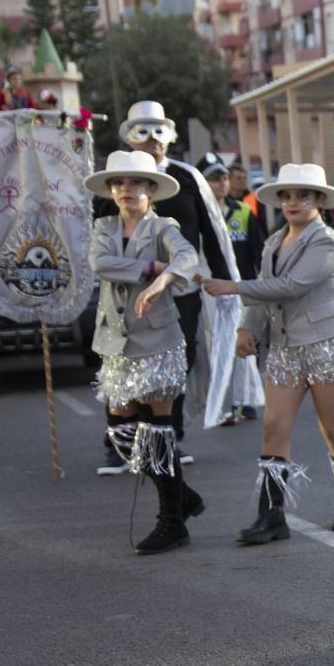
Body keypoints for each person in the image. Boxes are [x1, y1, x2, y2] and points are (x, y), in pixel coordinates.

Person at [200, 162, 334, 537]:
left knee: (333, 427)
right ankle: (272, 515)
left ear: (320, 201)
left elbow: (292, 285)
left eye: (303, 195)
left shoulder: (325, 240)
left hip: (327, 343)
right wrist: (247, 328)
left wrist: (234, 287)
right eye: (287, 196)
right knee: (274, 425)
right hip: (285, 347)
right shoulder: (273, 242)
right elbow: (267, 288)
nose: (293, 202)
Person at [95, 102, 235, 474]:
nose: (153, 139)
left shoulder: (187, 180)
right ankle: (120, 443)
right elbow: (98, 252)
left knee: (174, 363)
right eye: (143, 131)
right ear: (128, 137)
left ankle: (166, 438)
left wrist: (221, 281)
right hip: (124, 296)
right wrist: (148, 268)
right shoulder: (112, 190)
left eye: (159, 130)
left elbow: (207, 235)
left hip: (180, 292)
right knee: (120, 363)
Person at [85, 150, 203, 555]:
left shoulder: (163, 226)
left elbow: (187, 256)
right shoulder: (103, 226)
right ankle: (183, 495)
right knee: (120, 431)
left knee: (157, 431)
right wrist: (151, 268)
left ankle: (172, 521)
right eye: (119, 183)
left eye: (136, 182)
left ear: (151, 189)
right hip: (115, 342)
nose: (126, 189)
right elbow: (99, 263)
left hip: (157, 340)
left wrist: (164, 279)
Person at [199, 153, 266, 425]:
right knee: (215, 346)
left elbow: (258, 250)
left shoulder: (242, 211)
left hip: (241, 289)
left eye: (224, 178)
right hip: (210, 291)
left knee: (242, 343)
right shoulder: (199, 214)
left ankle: (244, 400)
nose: (222, 183)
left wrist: (260, 284)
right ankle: (222, 404)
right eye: (214, 179)